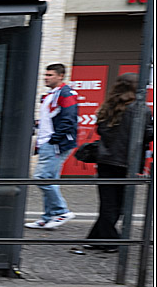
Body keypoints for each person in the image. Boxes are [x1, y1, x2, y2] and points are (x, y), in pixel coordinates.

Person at [83, 73, 154, 252]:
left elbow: (100, 130)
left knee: (109, 202)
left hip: (106, 160)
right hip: (126, 162)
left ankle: (95, 239)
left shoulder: (109, 106)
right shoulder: (140, 108)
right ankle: (111, 241)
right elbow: (147, 134)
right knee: (117, 205)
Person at [25, 63, 79, 230]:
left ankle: (61, 211)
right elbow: (50, 119)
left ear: (60, 76)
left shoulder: (65, 93)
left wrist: (53, 139)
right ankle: (48, 217)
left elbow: (69, 119)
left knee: (41, 178)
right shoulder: (51, 94)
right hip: (48, 143)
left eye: (50, 75)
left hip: (54, 144)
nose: (46, 77)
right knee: (50, 180)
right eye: (45, 74)